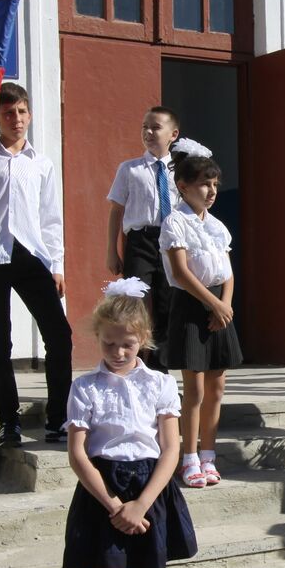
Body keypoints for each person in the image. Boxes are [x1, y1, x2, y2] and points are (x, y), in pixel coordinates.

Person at [63, 281, 198, 568]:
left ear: (143, 338)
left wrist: (142, 503)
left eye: (127, 342)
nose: (118, 351)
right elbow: (79, 454)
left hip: (149, 492)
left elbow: (171, 447)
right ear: (97, 338)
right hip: (104, 491)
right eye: (109, 343)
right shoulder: (84, 387)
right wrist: (114, 505)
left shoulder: (160, 383)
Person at [0, 81, 72, 448]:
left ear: (29, 114)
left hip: (32, 255)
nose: (16, 119)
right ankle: (9, 422)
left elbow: (51, 217)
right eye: (8, 113)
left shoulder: (41, 163)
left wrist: (56, 264)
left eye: (21, 111)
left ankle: (59, 419)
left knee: (59, 335)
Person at [159, 155, 243, 488]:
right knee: (193, 389)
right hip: (192, 306)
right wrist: (212, 304)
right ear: (183, 187)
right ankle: (189, 457)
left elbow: (227, 272)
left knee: (216, 387)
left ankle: (209, 455)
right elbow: (180, 272)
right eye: (204, 184)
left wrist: (225, 306)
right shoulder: (175, 223)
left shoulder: (217, 226)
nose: (211, 191)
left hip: (219, 309)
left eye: (215, 185)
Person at [107, 106, 182, 372]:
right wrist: (112, 250)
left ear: (173, 134)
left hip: (171, 242)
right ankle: (130, 365)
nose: (148, 132)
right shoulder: (130, 169)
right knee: (134, 303)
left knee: (166, 305)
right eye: (144, 127)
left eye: (156, 127)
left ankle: (159, 372)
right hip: (141, 242)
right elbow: (116, 211)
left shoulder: (180, 170)